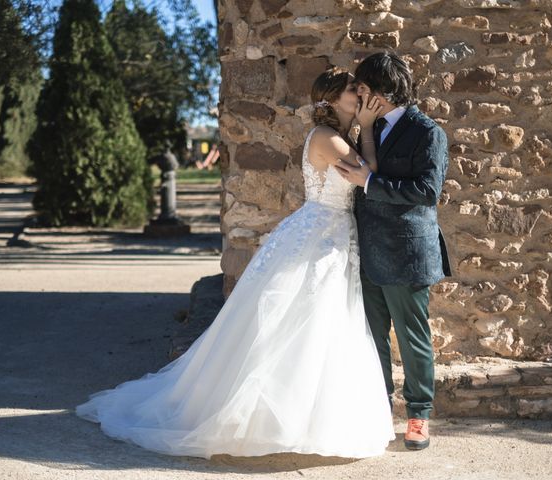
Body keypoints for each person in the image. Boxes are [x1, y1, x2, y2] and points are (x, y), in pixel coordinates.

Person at [75, 66, 396, 460]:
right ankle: (266, 422)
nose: (359, 93)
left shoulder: (338, 136)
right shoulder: (330, 139)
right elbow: (370, 177)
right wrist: (366, 127)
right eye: (352, 89)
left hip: (330, 233)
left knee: (325, 321)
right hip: (319, 236)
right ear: (331, 100)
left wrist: (362, 127)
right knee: (305, 319)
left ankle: (313, 417)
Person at [335, 52, 453, 451]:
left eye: (363, 88)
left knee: (412, 337)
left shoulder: (427, 132)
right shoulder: (367, 128)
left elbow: (427, 192)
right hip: (367, 252)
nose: (359, 94)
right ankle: (378, 410)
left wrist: (370, 182)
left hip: (407, 254)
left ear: (378, 92)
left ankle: (419, 416)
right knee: (373, 338)